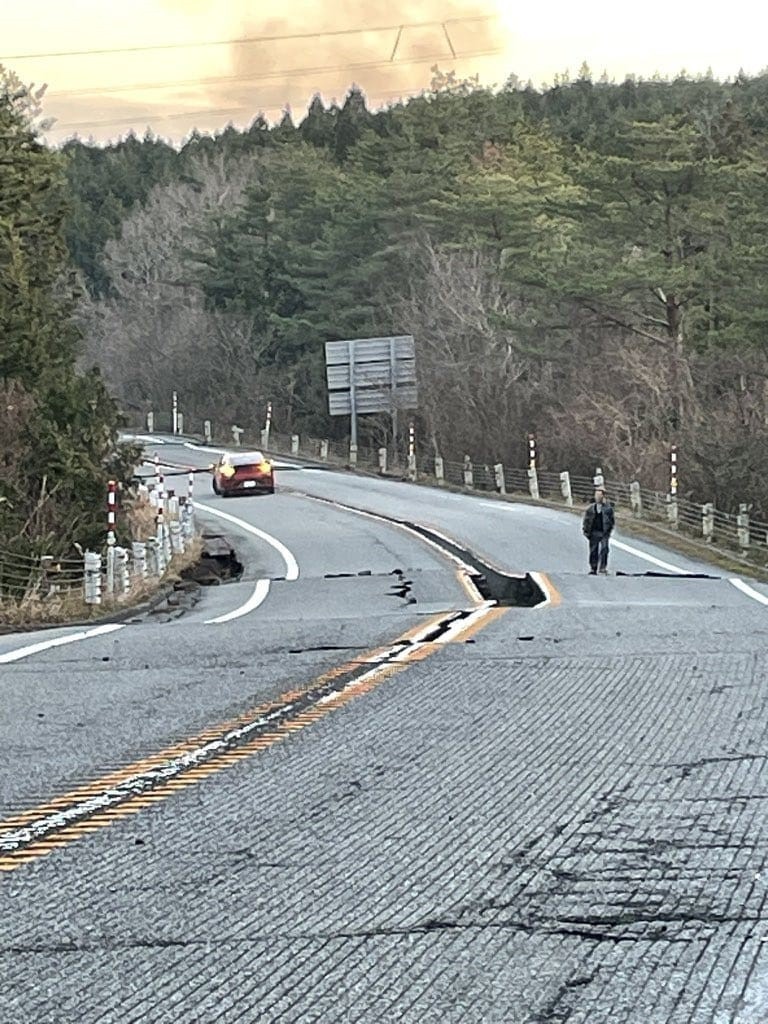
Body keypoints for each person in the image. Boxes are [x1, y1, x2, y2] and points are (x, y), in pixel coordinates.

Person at [582, 487, 615, 575]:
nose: (597, 497)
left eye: (599, 495)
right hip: (594, 532)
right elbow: (586, 520)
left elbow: (611, 521)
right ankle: (593, 568)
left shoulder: (608, 508)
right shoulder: (591, 508)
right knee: (593, 550)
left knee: (604, 549)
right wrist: (586, 531)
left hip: (604, 532)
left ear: (603, 496)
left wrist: (609, 531)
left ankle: (603, 568)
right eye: (596, 495)